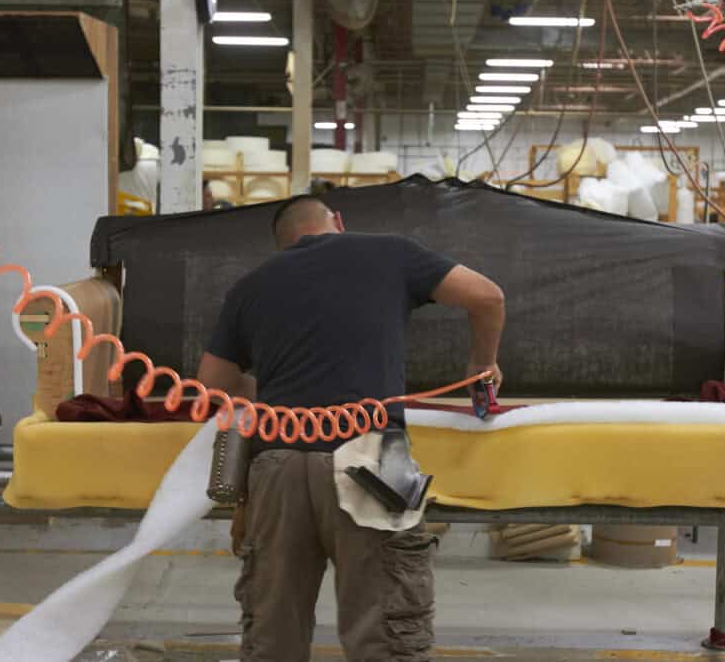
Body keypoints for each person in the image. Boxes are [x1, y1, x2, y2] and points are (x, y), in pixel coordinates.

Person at [196, 196, 505, 661]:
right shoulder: (391, 253)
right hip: (374, 458)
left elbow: (211, 389)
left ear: (283, 245)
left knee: (271, 635)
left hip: (276, 465)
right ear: (337, 222)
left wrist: (273, 390)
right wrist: (483, 364)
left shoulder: (250, 287)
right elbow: (488, 296)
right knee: (384, 633)